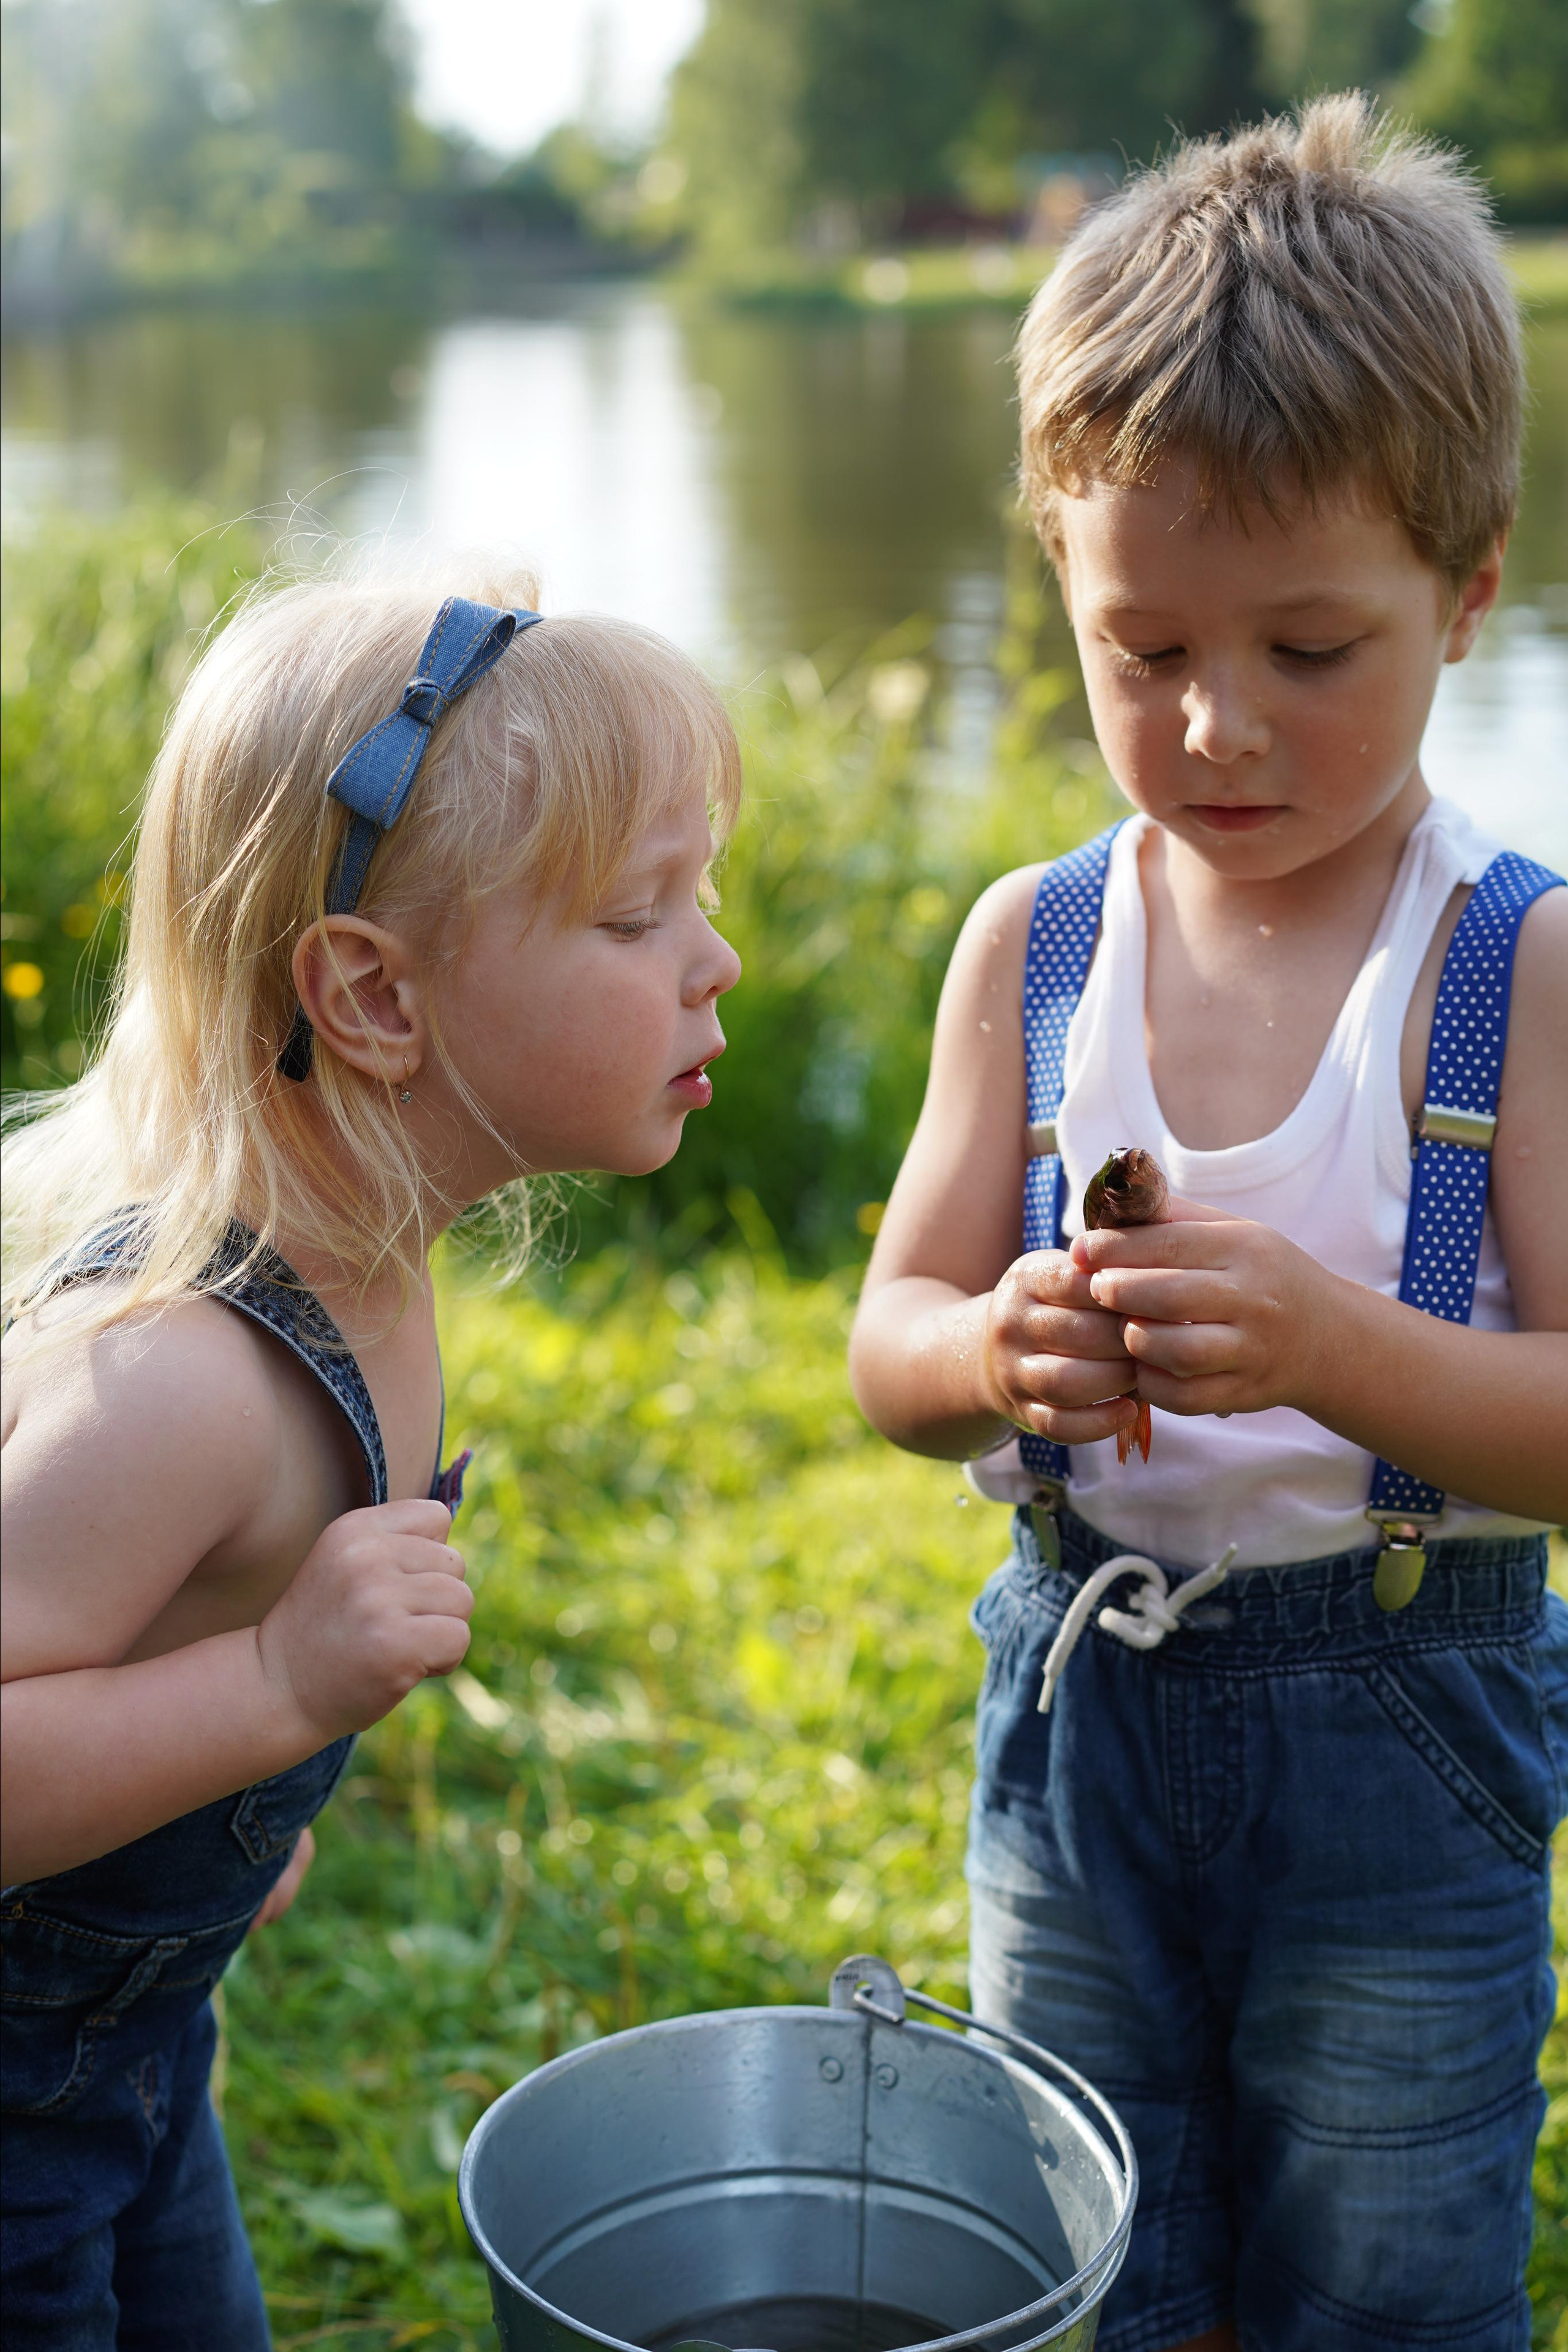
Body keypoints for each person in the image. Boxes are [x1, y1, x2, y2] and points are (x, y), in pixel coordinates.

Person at [849, 96, 1567, 2352]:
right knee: (1078, 2248)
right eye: (1141, 648)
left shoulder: (1516, 970)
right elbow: (890, 1331)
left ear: (1469, 589)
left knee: (1379, 2274)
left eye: (1310, 651)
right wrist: (992, 1360)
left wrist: (1338, 1348)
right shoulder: (1036, 946)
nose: (1216, 724)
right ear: (1057, 581)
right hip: (1077, 1717)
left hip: (1409, 1726)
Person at [0, 569, 742, 2346]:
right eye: (642, 918)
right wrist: (268, 1687)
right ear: (374, 999)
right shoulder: (180, 1377)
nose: (715, 960)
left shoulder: (366, 1254)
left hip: (137, 2056)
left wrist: (202, 1795)